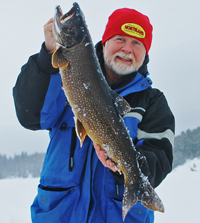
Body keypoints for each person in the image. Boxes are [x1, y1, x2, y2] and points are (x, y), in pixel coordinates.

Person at [13, 7, 175, 223]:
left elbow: (160, 158)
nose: (127, 48)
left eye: (137, 43)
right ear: (105, 42)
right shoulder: (63, 76)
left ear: (145, 53)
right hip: (59, 216)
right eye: (120, 38)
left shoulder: (153, 101)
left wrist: (122, 165)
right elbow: (30, 115)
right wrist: (48, 54)